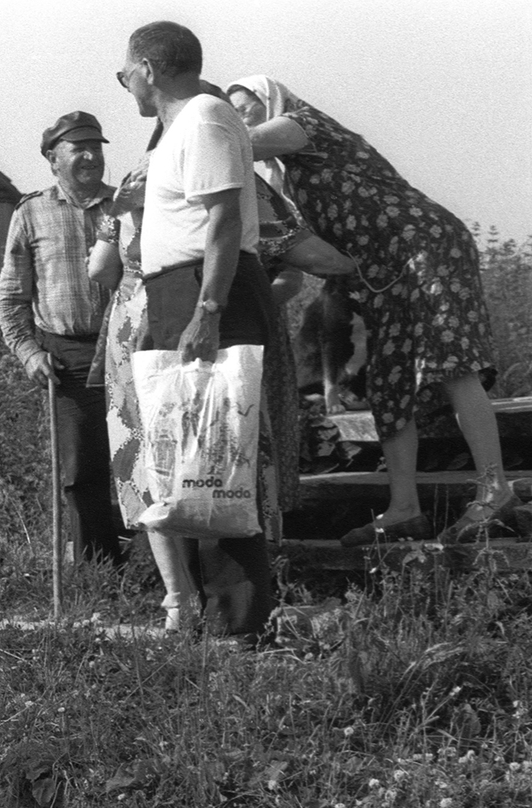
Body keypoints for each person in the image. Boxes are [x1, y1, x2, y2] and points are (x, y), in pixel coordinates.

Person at [226, 75, 513, 546]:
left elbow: (235, 144)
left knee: (453, 364)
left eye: (244, 106)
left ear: (269, 99)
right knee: (388, 380)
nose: (238, 117)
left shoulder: (302, 123)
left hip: (425, 246)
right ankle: (404, 509)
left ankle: (494, 490)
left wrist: (183, 140)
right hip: (381, 269)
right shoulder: (285, 177)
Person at [112, 21, 277, 638]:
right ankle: (205, 614)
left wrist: (207, 309)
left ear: (148, 69)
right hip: (175, 291)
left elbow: (224, 220)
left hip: (206, 291)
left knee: (220, 448)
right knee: (184, 456)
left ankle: (241, 625)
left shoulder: (205, 117)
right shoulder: (180, 129)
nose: (127, 84)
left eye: (125, 73)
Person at [0, 111, 128, 567]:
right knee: (82, 468)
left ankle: (159, 562)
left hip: (128, 345)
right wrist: (29, 352)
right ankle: (99, 570)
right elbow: (11, 297)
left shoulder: (126, 206)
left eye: (96, 147)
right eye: (78, 149)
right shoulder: (31, 213)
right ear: (53, 159)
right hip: (68, 355)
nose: (91, 157)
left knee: (140, 455)